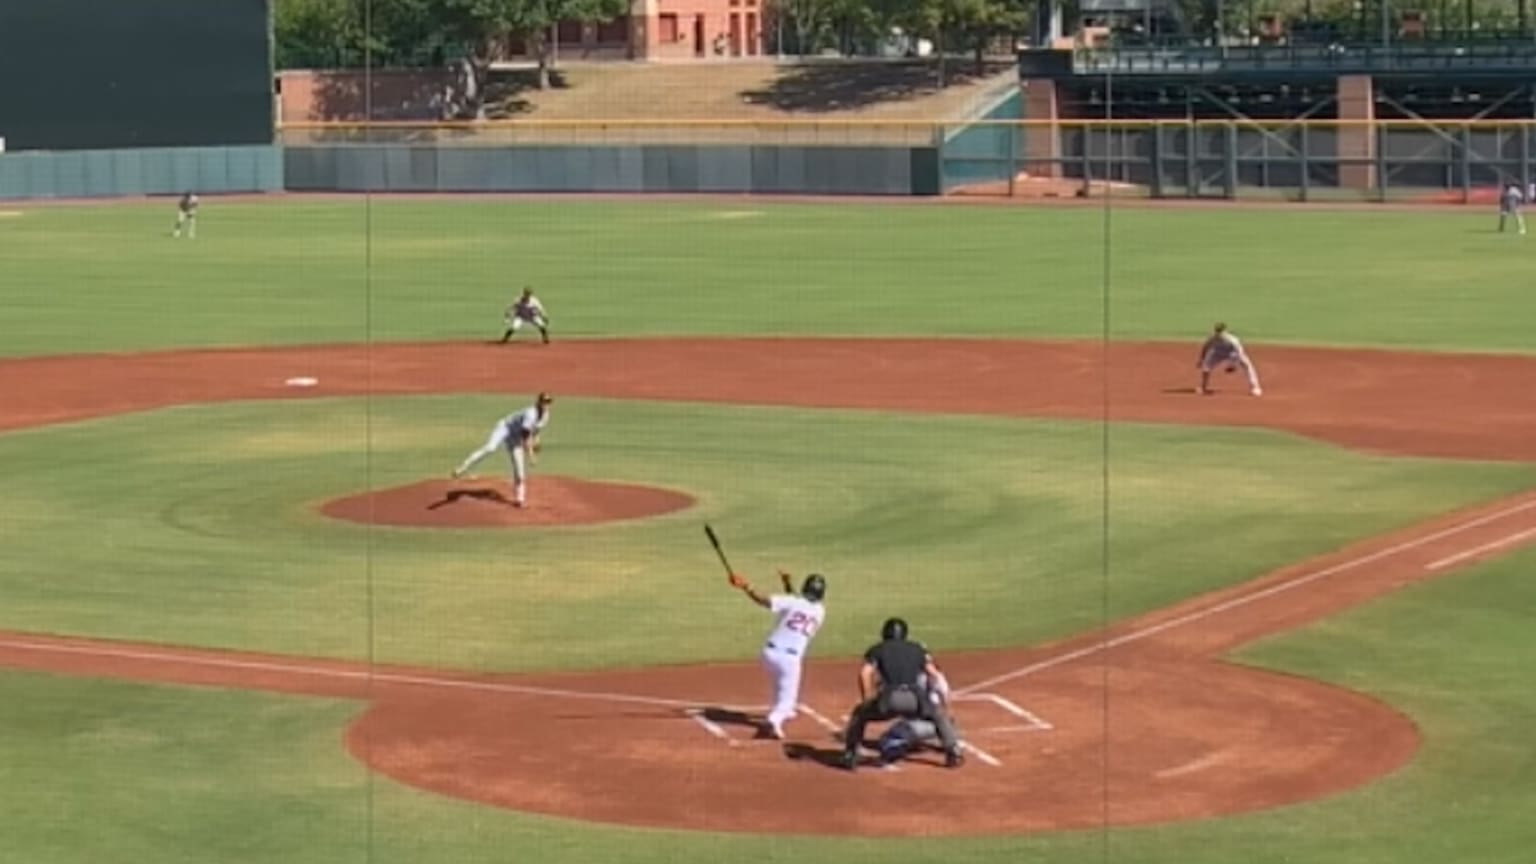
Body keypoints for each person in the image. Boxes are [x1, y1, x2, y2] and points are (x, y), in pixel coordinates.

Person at [840, 617, 963, 771]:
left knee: (860, 714)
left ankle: (851, 754)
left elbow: (864, 674)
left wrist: (867, 698)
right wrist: (933, 702)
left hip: (890, 698)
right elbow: (934, 674)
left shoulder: (878, 649)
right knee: (939, 715)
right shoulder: (917, 649)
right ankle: (953, 751)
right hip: (915, 699)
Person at [726, 568, 827, 740]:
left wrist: (746, 587)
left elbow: (764, 601)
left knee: (779, 687)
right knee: (788, 702)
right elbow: (799, 603)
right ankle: (774, 720)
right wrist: (787, 584)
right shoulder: (820, 611)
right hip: (789, 660)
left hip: (769, 654)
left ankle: (777, 715)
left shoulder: (793, 602)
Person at [450, 392, 553, 507]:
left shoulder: (546, 416)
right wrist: (531, 454)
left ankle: (520, 499)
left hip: (516, 437)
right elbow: (525, 436)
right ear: (538, 402)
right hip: (504, 428)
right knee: (490, 448)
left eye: (548, 402)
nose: (546, 404)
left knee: (519, 470)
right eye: (544, 401)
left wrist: (537, 440)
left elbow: (536, 431)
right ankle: (463, 468)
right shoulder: (531, 414)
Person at [874, 667, 955, 764]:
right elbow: (948, 711)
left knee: (892, 739)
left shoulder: (918, 678)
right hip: (935, 724)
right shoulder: (934, 677)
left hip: (925, 724)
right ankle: (950, 741)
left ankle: (896, 751)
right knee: (888, 736)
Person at [1196, 322, 1263, 397]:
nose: (1219, 334)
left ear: (1225, 331)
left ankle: (1255, 387)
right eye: (1217, 331)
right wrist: (1201, 359)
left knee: (1246, 364)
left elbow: (1240, 353)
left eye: (1220, 331)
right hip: (1217, 353)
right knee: (1206, 367)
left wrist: (1233, 365)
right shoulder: (1212, 338)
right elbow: (1206, 347)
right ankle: (1203, 387)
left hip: (1231, 353)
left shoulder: (1233, 340)